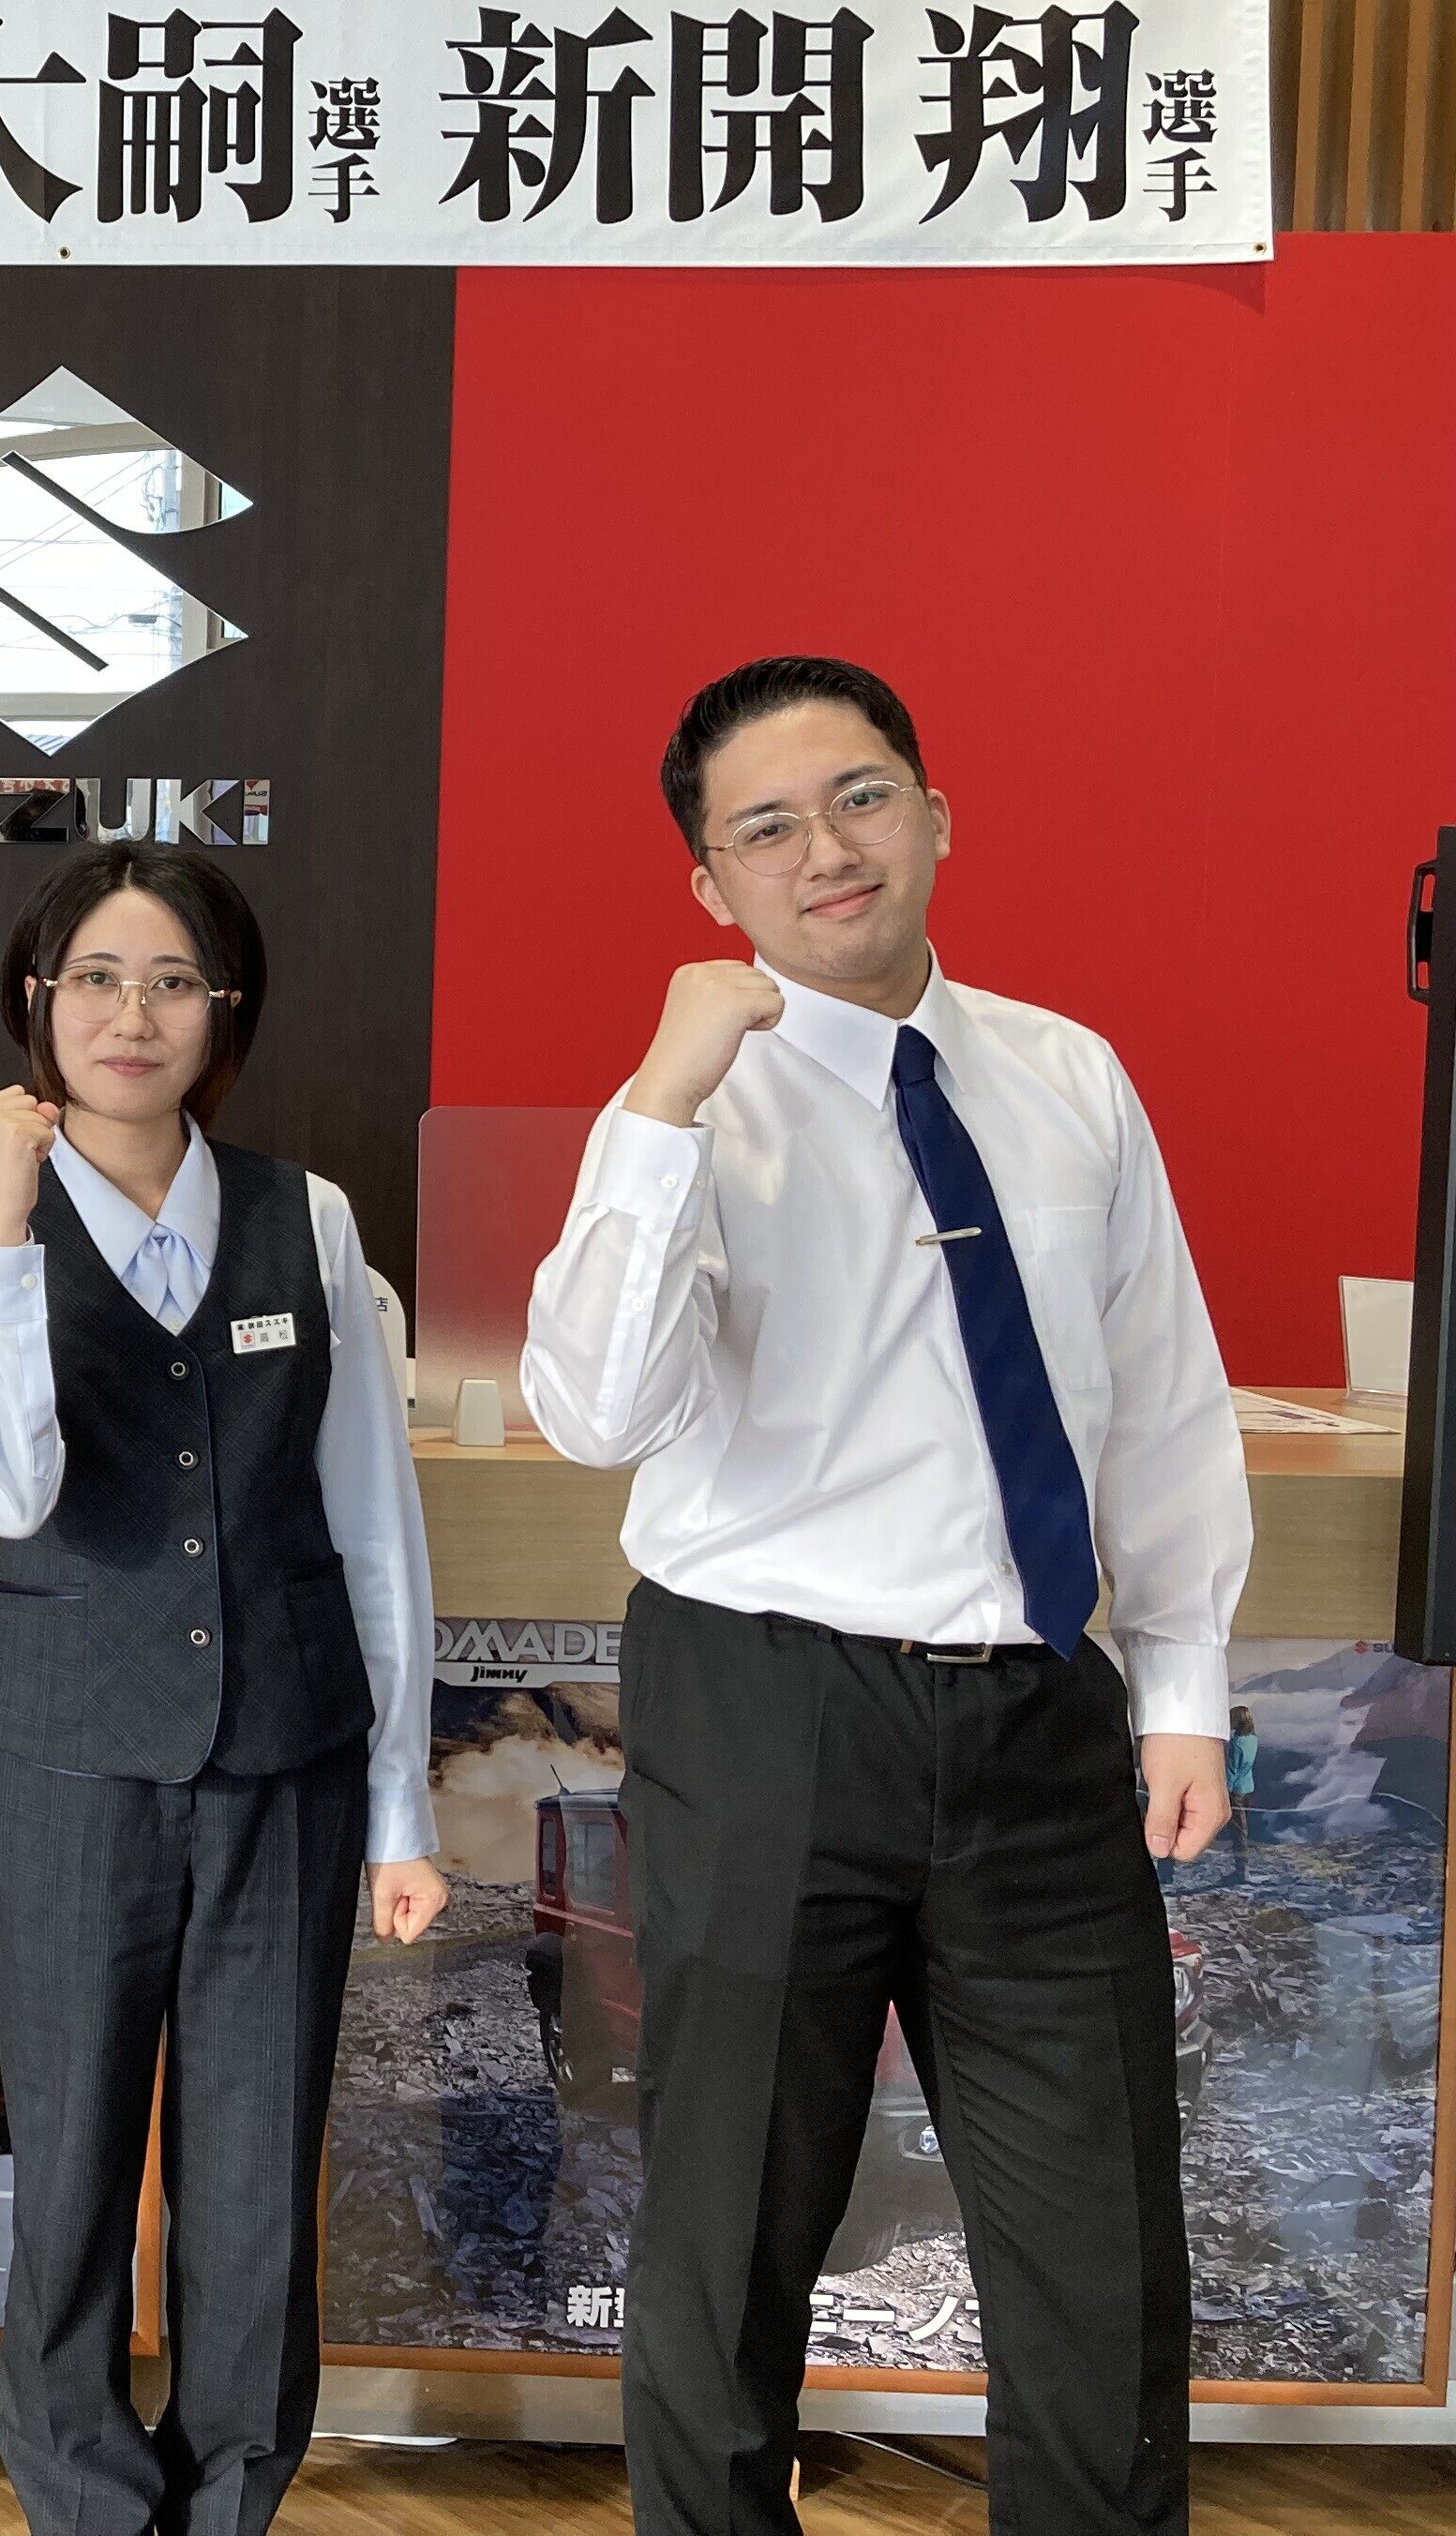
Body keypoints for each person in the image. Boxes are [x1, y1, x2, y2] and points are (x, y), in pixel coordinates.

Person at [520, 655, 1248, 2536]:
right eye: (765, 828)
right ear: (710, 884)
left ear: (934, 812)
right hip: (770, 1709)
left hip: (1038, 1717)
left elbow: (1159, 1396)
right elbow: (593, 1413)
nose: (825, 849)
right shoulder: (690, 1114)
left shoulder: (1067, 1074)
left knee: (1100, 2250)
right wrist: (663, 1099)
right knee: (729, 2236)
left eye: (858, 797)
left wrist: (1181, 1685)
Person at [0, 842, 445, 2536]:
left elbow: (371, 1518)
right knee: (70, 2157)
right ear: (35, 999)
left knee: (256, 2166)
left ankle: (231, 2498)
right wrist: (7, 1219)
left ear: (225, 1010)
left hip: (288, 1753)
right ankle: (81, 2497)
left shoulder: (310, 1216)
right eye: (94, 979)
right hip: (68, 1757)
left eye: (170, 981)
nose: (130, 1015)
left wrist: (402, 1803)